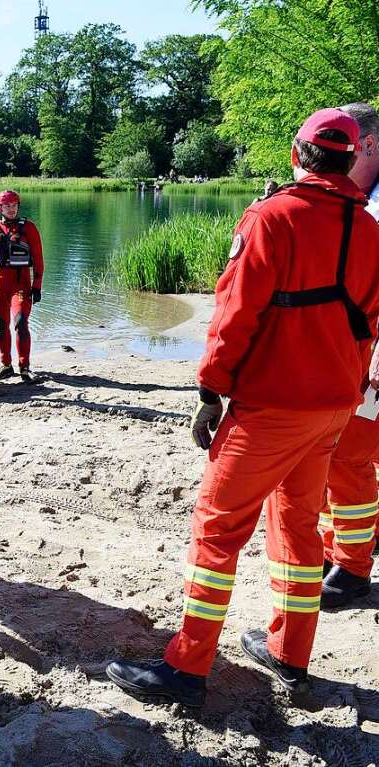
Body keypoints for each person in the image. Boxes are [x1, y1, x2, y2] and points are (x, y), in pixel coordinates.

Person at [106, 109, 379, 706]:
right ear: (353, 157)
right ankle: (290, 653)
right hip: (335, 407)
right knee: (300, 527)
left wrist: (210, 391)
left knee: (217, 529)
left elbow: (233, 319)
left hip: (272, 408)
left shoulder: (271, 217)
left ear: (296, 155)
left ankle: (187, 666)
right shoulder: (371, 230)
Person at [315, 101, 379, 608]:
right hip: (349, 357)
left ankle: (351, 568)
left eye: (346, 146)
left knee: (348, 458)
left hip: (371, 362)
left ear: (370, 145)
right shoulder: (360, 198)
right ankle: (332, 553)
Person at [0, 190, 44, 383]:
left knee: (21, 323)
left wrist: (37, 285)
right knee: (1, 325)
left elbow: (38, 258)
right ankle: (5, 365)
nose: (11, 210)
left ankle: (25, 367)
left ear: (18, 206)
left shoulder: (28, 228)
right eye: (7, 206)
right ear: (0, 208)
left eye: (14, 205)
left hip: (20, 285)